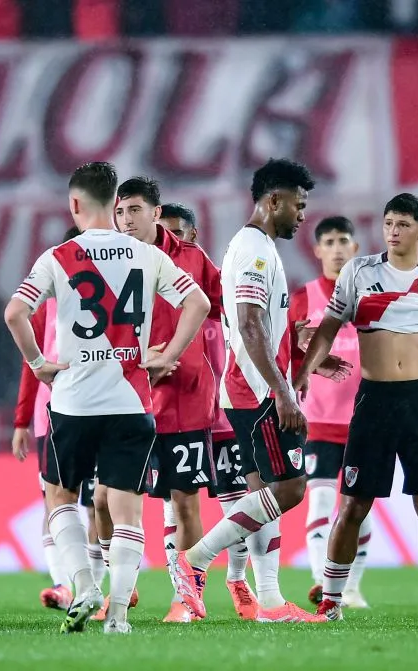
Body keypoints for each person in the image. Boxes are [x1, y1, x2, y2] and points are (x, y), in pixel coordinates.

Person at [4, 161, 210, 635]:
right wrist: (167, 355)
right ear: (115, 204)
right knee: (126, 508)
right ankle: (117, 616)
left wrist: (38, 363)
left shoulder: (58, 257)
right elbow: (198, 303)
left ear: (75, 203)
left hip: (74, 402)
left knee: (60, 495)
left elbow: (15, 312)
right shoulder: (147, 254)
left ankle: (84, 586)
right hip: (132, 403)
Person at [170, 158, 348, 624]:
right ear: (274, 200)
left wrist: (298, 354)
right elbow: (249, 325)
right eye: (298, 205)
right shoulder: (254, 249)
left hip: (251, 386)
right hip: (256, 391)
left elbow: (263, 326)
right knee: (290, 488)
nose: (303, 215)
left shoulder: (259, 246)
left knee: (262, 494)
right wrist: (282, 392)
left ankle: (269, 600)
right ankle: (195, 560)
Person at [294, 193, 418, 622]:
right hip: (375, 401)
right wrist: (306, 370)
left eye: (403, 224)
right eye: (388, 223)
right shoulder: (359, 272)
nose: (393, 232)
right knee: (353, 504)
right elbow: (327, 328)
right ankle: (331, 601)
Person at [113, 177, 256, 623]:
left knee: (185, 499)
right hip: (124, 396)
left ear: (155, 212)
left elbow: (230, 307)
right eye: (120, 211)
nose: (126, 220)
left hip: (185, 397)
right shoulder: (109, 260)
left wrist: (282, 333)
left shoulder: (192, 258)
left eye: (134, 210)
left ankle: (188, 599)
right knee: (108, 498)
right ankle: (111, 593)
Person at [11, 226, 107, 611]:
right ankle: (63, 585)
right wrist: (21, 420)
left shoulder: (113, 296)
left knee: (98, 502)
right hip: (50, 412)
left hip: (101, 406)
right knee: (54, 499)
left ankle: (96, 585)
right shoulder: (46, 298)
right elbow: (31, 361)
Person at [288, 216, 372, 608]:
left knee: (361, 509)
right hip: (317, 422)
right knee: (321, 502)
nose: (337, 249)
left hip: (364, 422)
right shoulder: (303, 298)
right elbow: (284, 351)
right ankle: (322, 581)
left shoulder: (370, 299)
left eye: (343, 241)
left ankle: (352, 588)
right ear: (317, 250)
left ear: (355, 248)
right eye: (329, 242)